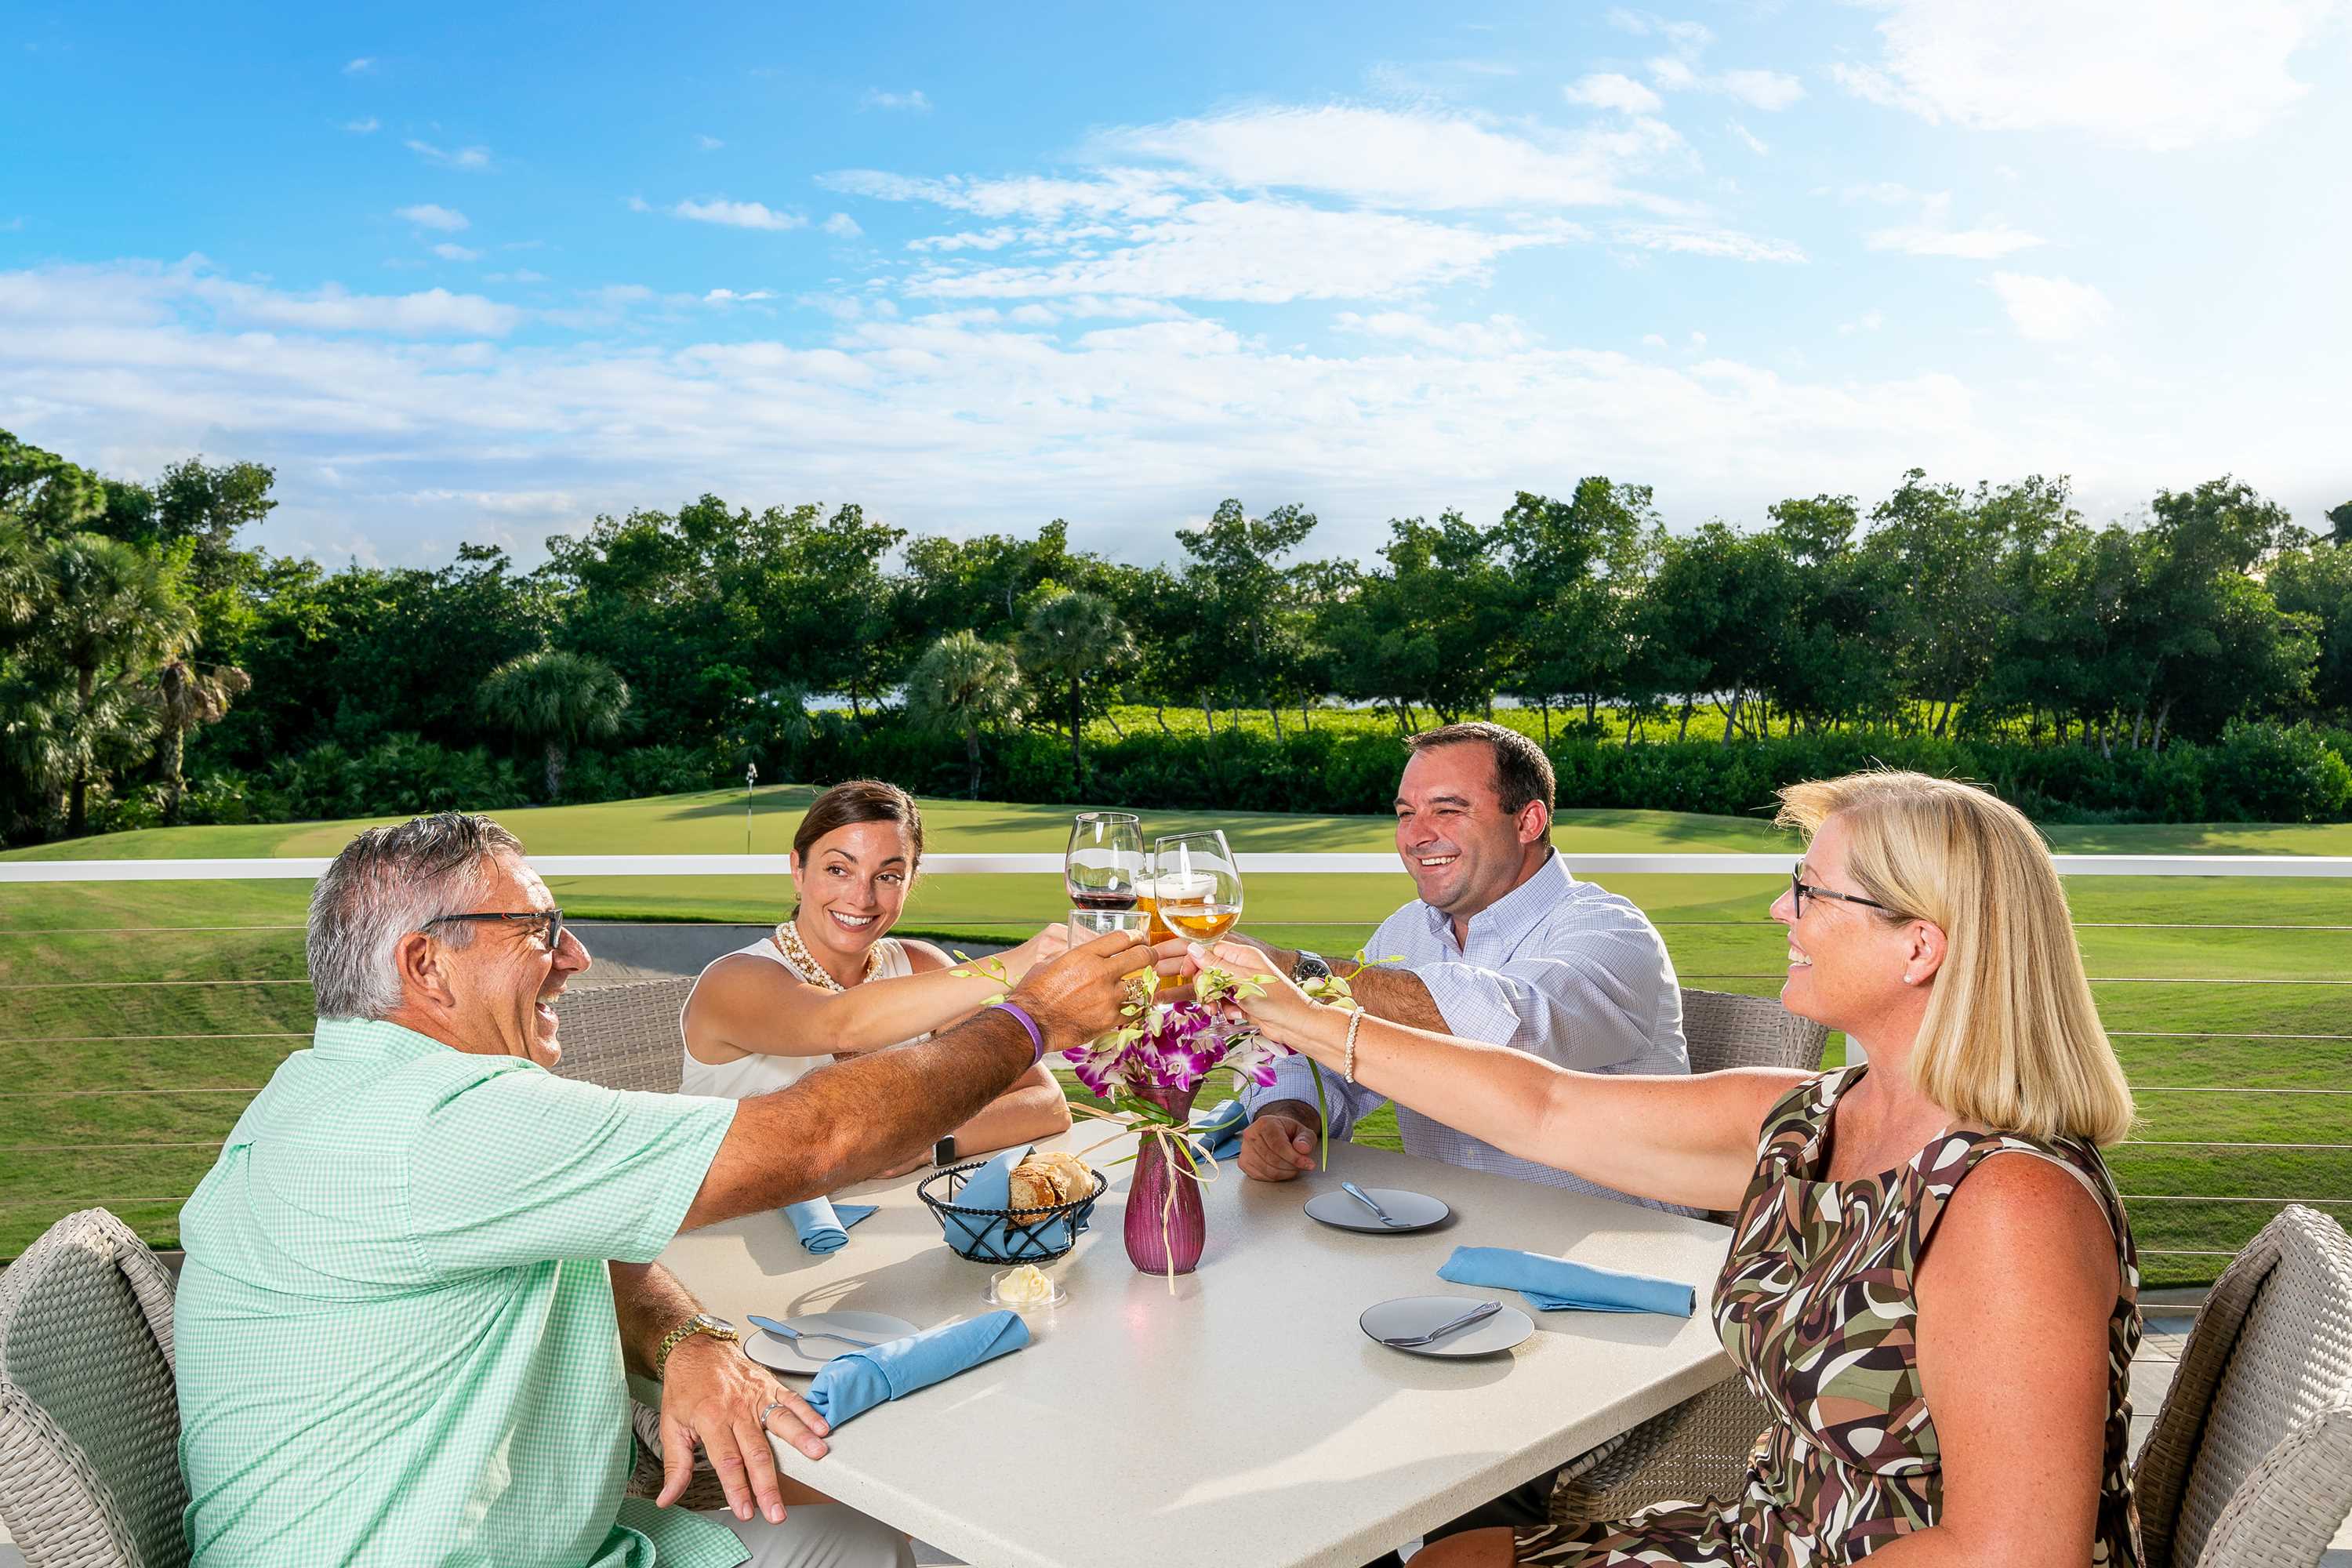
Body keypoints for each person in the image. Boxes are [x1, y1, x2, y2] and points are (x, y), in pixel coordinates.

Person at [1181, 771, 2143, 1567]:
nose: (1781, 907)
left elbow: (2012, 1552)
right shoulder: (1813, 1118)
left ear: (1918, 945)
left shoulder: (2010, 1203)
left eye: (1811, 890)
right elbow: (1544, 1106)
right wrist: (1300, 1012)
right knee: (1446, 1557)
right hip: (1765, 1539)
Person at [174, 812, 1140, 1568]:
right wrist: (1031, 1019)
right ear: (426, 964)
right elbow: (820, 1140)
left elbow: (593, 1247)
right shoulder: (444, 1123)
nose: (575, 957)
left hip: (532, 1541)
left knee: (863, 1544)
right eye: (539, 930)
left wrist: (684, 1336)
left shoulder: (327, 1090)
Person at [1232, 721, 1693, 1211]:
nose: (1416, 836)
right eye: (1406, 814)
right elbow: (1329, 1058)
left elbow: (1512, 1027)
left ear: (1528, 822)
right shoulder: (1406, 930)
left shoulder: (1612, 930)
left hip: (1616, 1238)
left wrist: (1295, 972)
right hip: (1446, 1225)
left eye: (1448, 810)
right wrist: (1290, 1115)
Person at [684, 779, 1071, 1173]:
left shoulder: (922, 967)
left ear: (910, 882)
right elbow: (841, 1024)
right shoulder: (733, 982)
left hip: (885, 1206)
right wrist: (1017, 963)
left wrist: (923, 1145)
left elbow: (1046, 1102)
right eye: (838, 869)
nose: (862, 898)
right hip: (733, 1208)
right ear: (798, 870)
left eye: (887, 876)